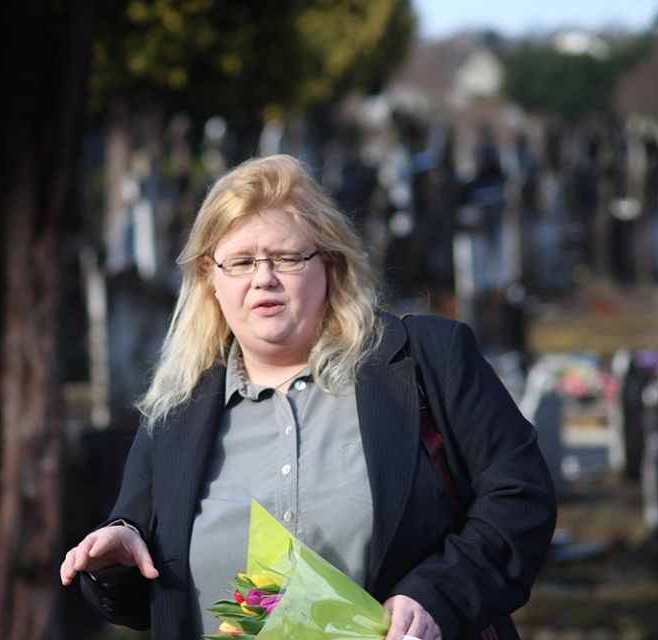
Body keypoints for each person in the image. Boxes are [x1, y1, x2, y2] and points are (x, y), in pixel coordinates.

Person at [60, 154, 557, 640]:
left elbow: (520, 499)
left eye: (286, 258)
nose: (263, 278)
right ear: (211, 279)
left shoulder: (427, 360)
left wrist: (439, 596)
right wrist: (115, 560)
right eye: (241, 262)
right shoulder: (176, 411)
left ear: (331, 264)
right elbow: (141, 595)